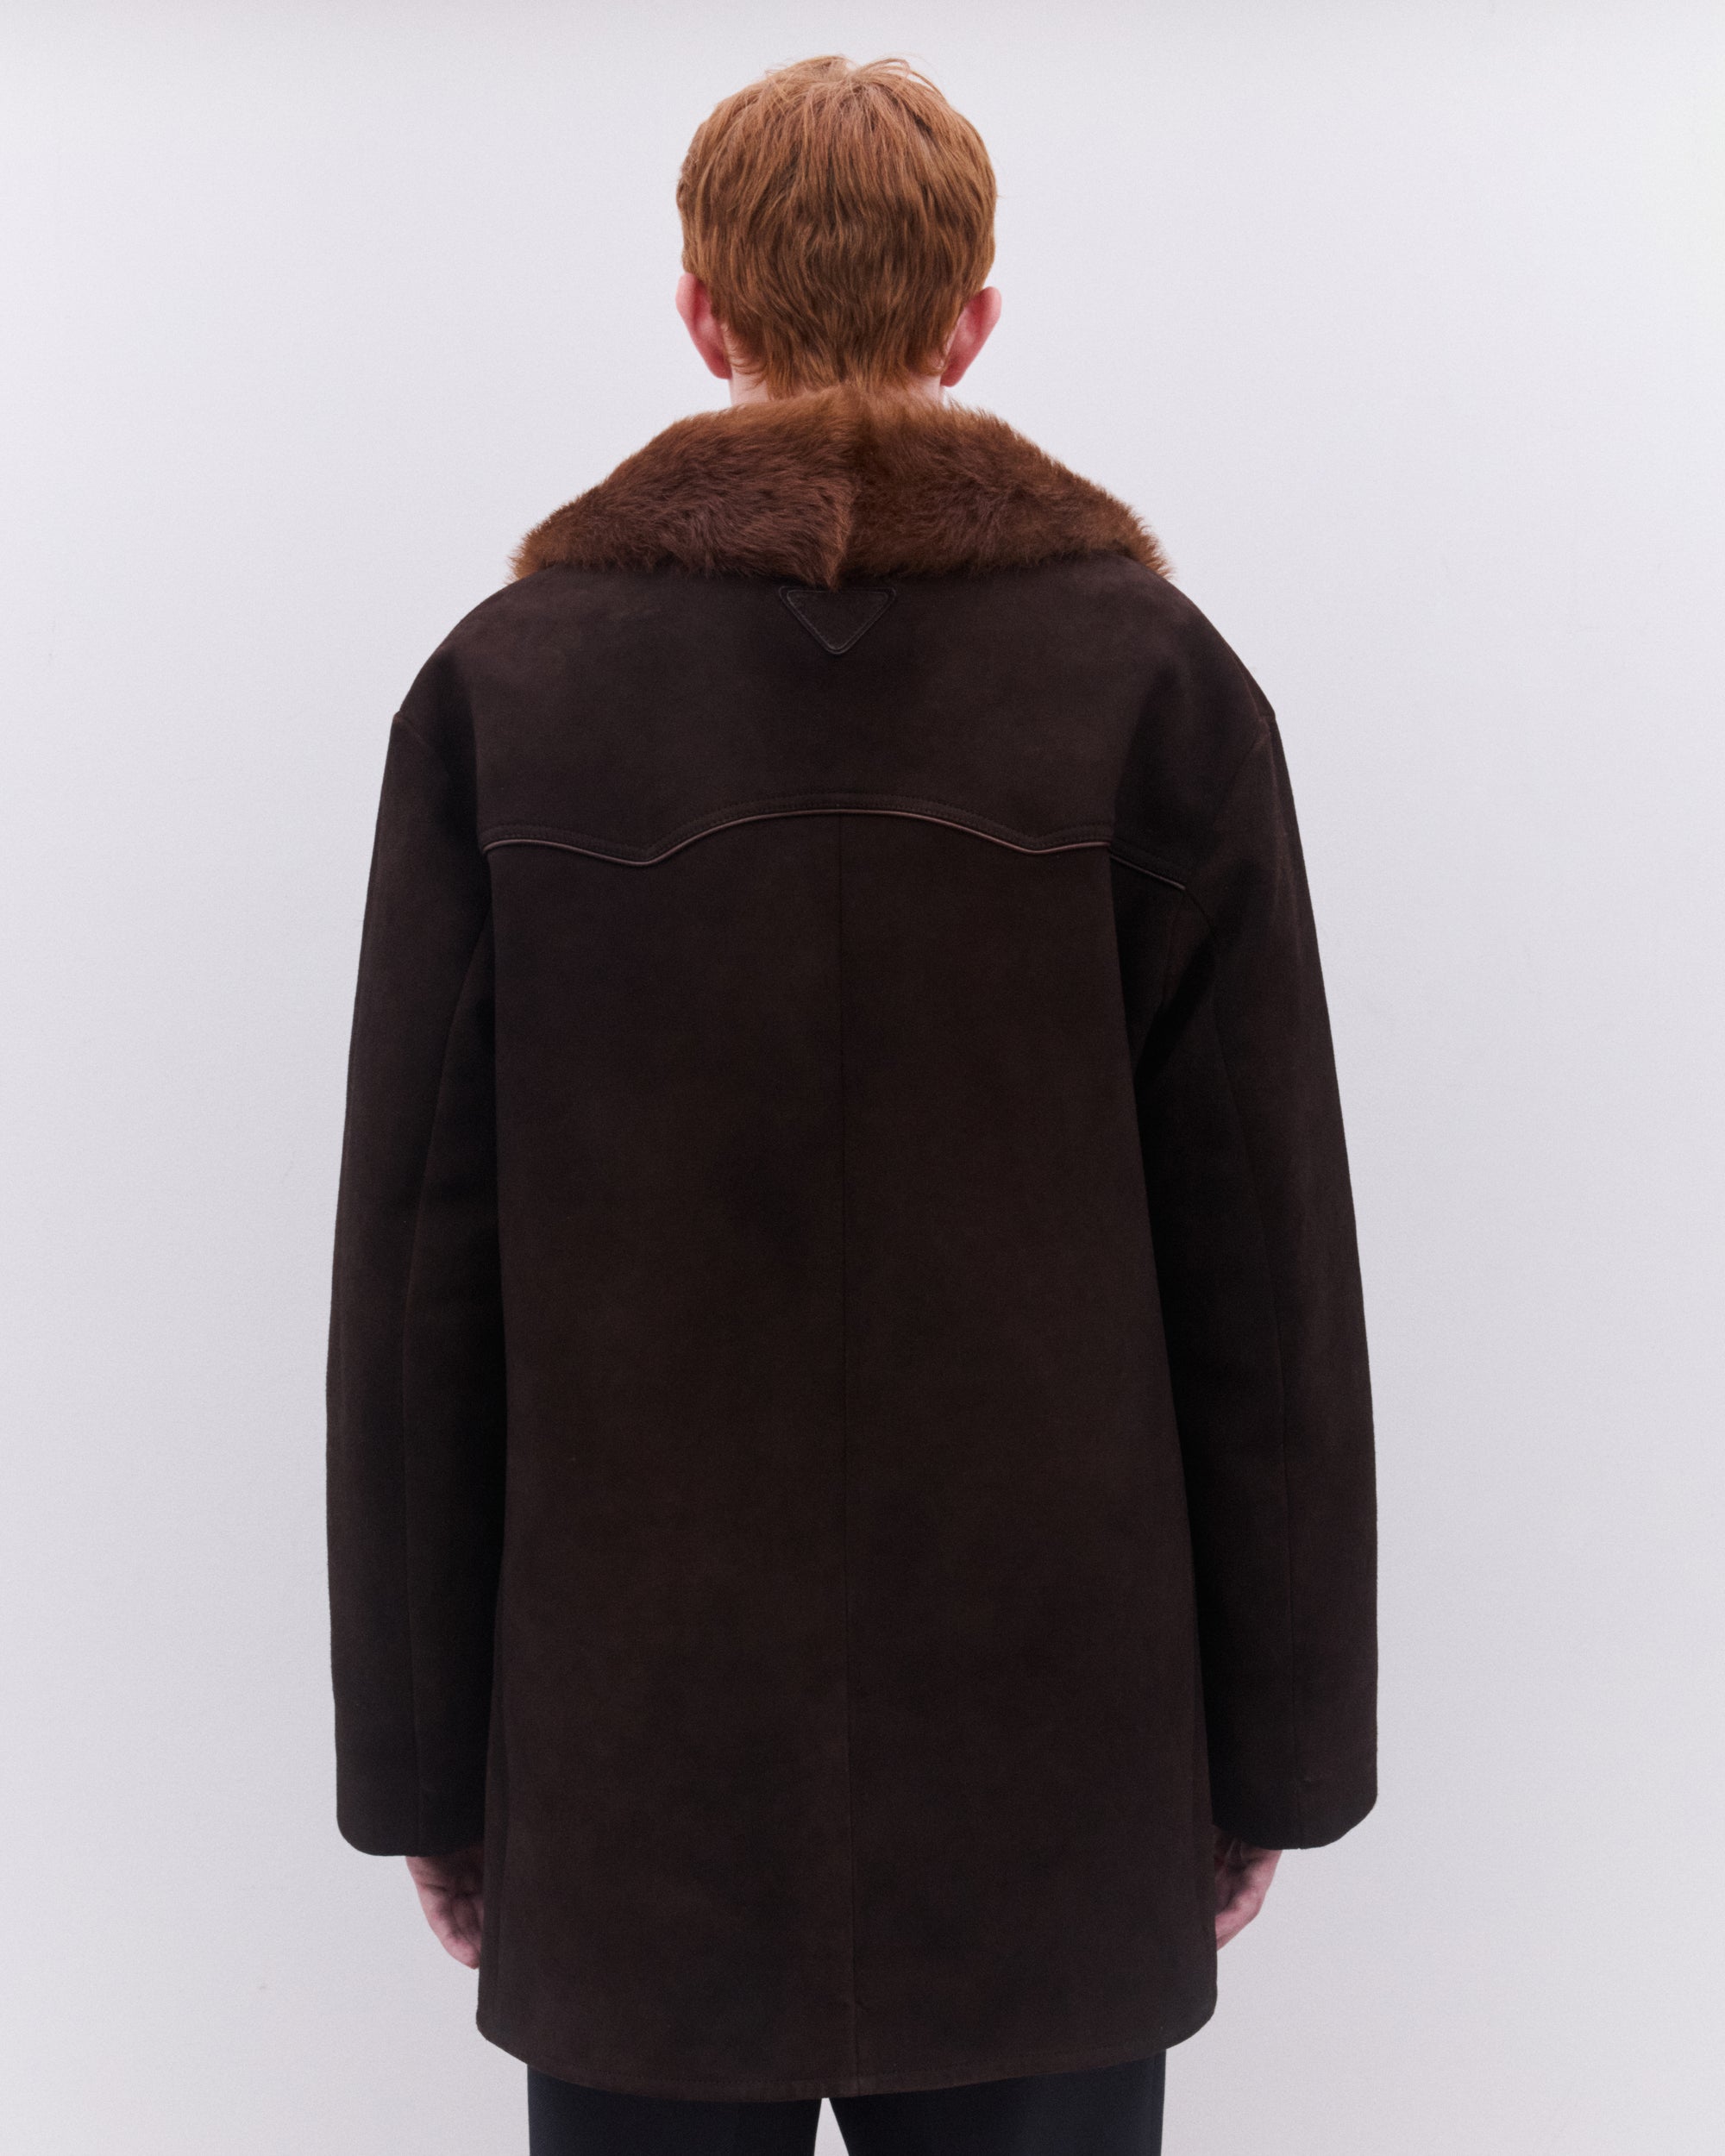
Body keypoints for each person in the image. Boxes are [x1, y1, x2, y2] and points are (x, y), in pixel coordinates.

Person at [326, 53, 1377, 2156]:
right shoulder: (1154, 688)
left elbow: (419, 1280)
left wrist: (428, 1773)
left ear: (699, 310)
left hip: (633, 1765)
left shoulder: (509, 692)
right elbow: (1266, 1275)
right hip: (1052, 1764)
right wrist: (1272, 1755)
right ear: (970, 320)